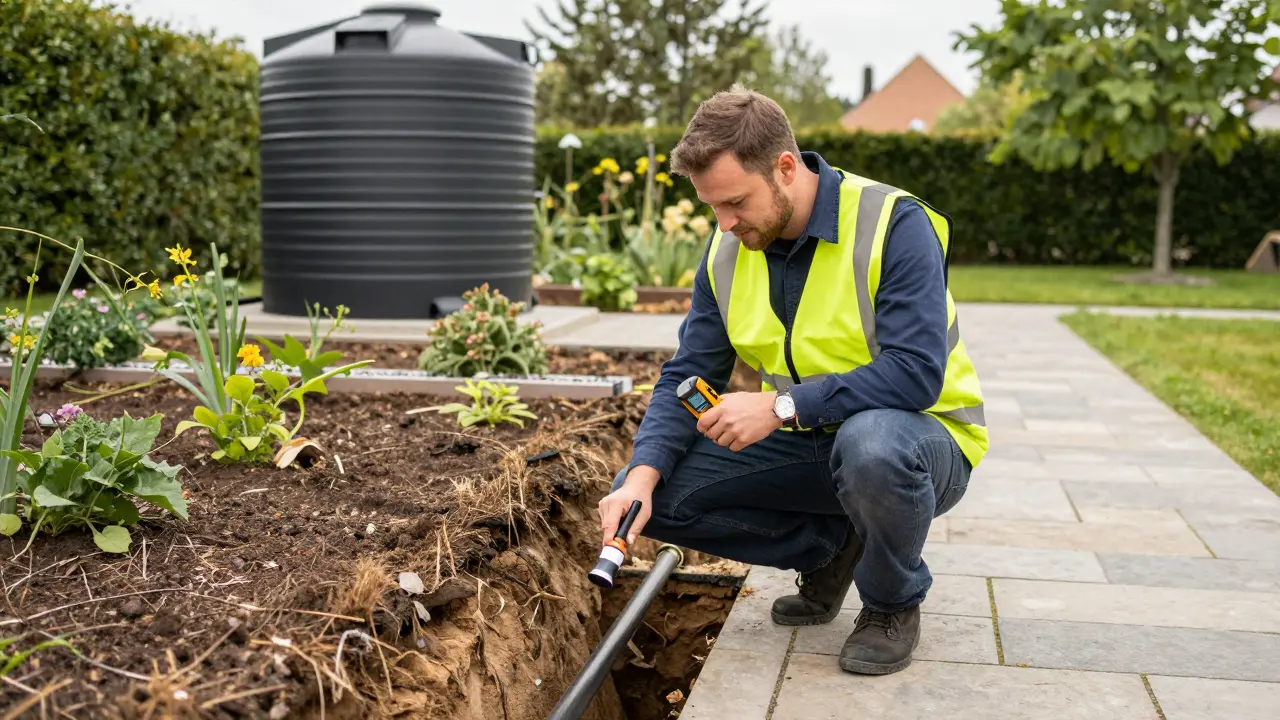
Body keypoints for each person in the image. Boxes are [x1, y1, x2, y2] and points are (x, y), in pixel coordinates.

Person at [596, 86, 988, 676]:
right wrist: (641, 479)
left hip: (921, 442)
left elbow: (917, 373)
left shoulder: (894, 224)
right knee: (655, 498)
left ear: (785, 167)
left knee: (872, 446)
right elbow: (686, 373)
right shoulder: (727, 250)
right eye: (712, 207)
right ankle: (834, 549)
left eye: (735, 202)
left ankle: (890, 603)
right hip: (812, 436)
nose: (724, 223)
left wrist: (779, 406)